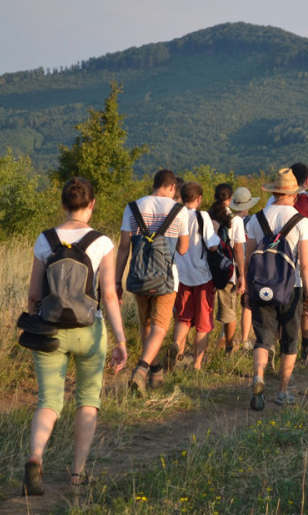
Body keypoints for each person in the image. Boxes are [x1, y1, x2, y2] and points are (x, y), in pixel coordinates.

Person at [22, 177, 128, 495]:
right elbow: (108, 295)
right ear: (91, 204)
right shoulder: (102, 243)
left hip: (49, 330)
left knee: (49, 401)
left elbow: (33, 293)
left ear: (63, 204)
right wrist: (121, 342)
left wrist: (32, 319)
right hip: (88, 332)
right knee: (87, 402)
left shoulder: (45, 240)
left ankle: (35, 457)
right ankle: (77, 475)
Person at [246, 168, 308, 409]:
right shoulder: (301, 222)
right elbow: (307, 264)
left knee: (263, 339)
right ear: (294, 194)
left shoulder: (256, 219)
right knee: (289, 341)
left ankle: (258, 376)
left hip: (260, 287)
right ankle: (282, 391)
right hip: (291, 288)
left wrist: (247, 290)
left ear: (274, 192)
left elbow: (247, 260)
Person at [115, 169, 189, 394]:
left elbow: (124, 247)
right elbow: (183, 249)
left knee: (145, 324)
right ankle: (142, 368)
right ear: (173, 187)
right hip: (165, 278)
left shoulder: (133, 207)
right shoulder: (179, 211)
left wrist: (117, 281)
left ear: (154, 184)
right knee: (160, 327)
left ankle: (155, 371)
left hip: (139, 275)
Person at [266, 163, 308, 364]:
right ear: (307, 181)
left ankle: (275, 346)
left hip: (278, 260)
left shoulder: (272, 199)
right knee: (307, 303)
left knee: (279, 302)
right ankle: (307, 347)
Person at [169, 181, 220, 371]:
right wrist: (215, 230)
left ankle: (176, 348)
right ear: (199, 199)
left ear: (182, 196)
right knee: (203, 323)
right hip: (202, 275)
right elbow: (212, 245)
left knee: (183, 317)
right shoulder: (203, 216)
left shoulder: (175, 216)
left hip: (181, 275)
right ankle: (197, 364)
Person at [206, 183, 247, 361]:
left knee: (205, 311)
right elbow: (238, 249)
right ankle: (230, 346)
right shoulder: (236, 220)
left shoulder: (206, 216)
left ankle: (203, 350)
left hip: (206, 269)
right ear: (230, 199)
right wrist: (242, 275)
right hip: (226, 270)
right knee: (229, 312)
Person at [231, 187, 260, 350]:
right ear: (248, 205)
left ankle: (226, 337)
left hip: (229, 266)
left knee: (228, 306)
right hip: (246, 265)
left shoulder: (226, 219)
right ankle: (244, 339)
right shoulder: (253, 221)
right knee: (246, 304)